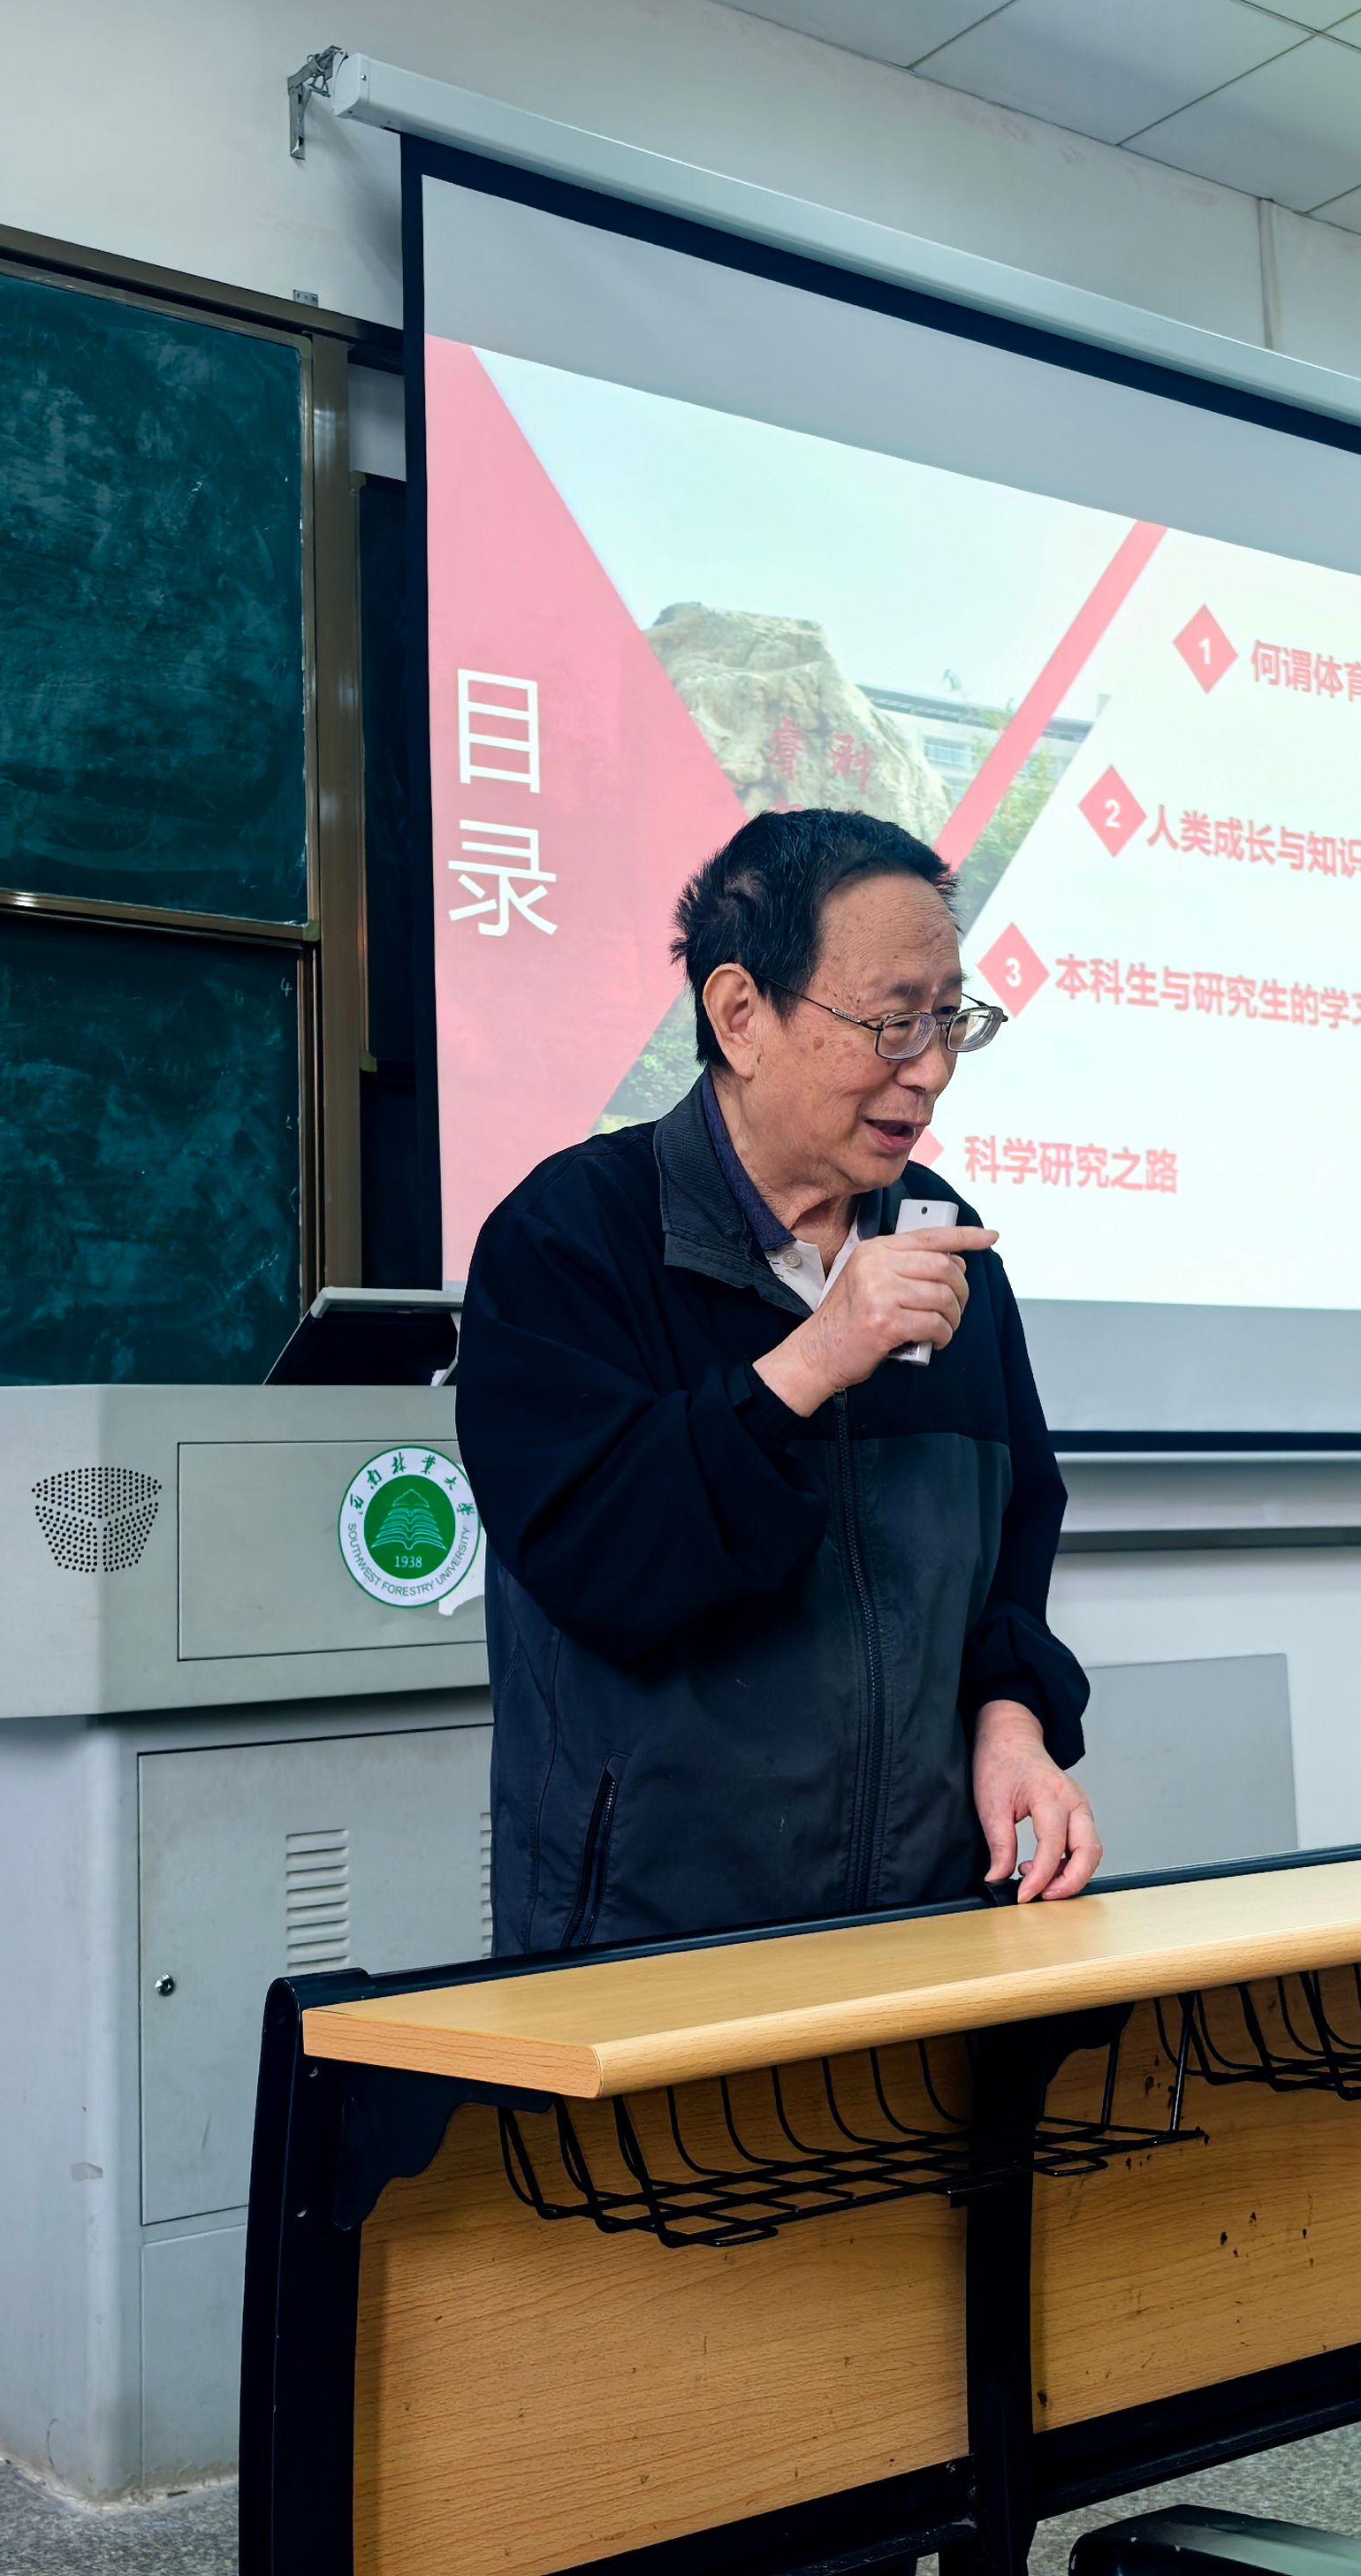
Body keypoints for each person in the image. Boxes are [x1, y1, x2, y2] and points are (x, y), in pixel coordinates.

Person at [457, 808, 1102, 1955]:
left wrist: (1012, 1723)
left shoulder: (942, 1239)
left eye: (951, 1020)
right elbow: (602, 1564)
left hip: (929, 1919)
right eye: (894, 1024)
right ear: (741, 1016)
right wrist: (810, 1361)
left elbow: (1013, 1542)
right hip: (650, 1946)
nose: (932, 1072)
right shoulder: (568, 1238)